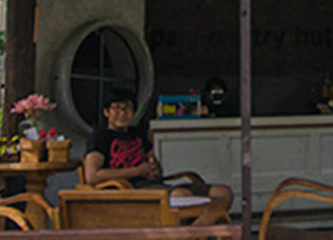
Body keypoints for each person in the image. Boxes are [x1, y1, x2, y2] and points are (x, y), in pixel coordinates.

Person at [81, 87, 232, 213]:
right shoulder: (100, 136)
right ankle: (187, 239)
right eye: (116, 108)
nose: (122, 113)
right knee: (182, 196)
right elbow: (92, 176)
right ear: (106, 112)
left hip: (154, 186)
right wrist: (137, 171)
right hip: (128, 190)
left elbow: (152, 161)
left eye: (127, 108)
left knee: (223, 193)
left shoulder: (138, 133)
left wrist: (154, 169)